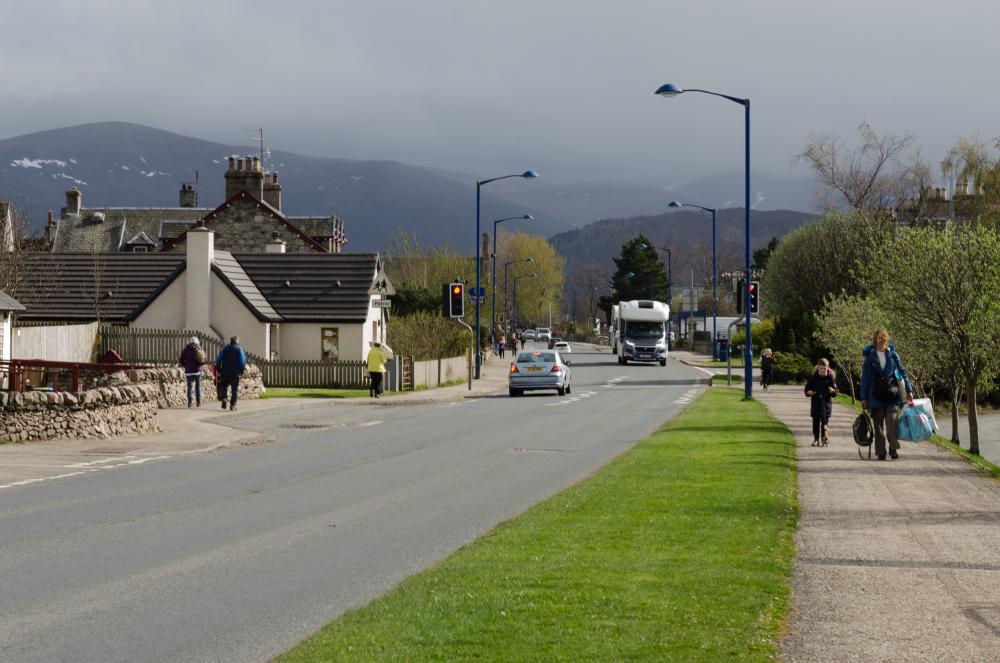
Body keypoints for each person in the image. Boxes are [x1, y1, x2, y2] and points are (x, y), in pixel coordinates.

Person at [860, 329, 914, 460]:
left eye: (883, 338)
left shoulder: (893, 355)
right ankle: (881, 452)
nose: (880, 340)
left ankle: (893, 448)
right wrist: (863, 397)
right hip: (875, 396)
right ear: (875, 339)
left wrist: (909, 390)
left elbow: (902, 373)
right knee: (878, 429)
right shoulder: (870, 357)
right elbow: (865, 379)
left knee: (892, 426)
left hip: (892, 395)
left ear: (886, 339)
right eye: (878, 338)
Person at [804, 358, 838, 446]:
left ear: (828, 368)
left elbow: (835, 391)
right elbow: (807, 389)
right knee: (815, 422)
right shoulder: (813, 378)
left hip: (826, 404)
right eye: (821, 368)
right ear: (818, 368)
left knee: (825, 422)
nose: (823, 370)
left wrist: (833, 391)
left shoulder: (830, 378)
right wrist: (809, 392)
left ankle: (824, 438)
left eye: (825, 368)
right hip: (816, 403)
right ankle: (816, 439)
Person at [215, 336, 246, 411]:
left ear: (230, 341)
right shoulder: (239, 349)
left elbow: (218, 359)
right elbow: (242, 361)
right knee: (234, 389)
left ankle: (224, 398)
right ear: (237, 342)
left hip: (225, 372)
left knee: (224, 386)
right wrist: (242, 370)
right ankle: (233, 405)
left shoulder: (225, 348)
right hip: (235, 373)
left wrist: (218, 369)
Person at [178, 336, 205, 407]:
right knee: (197, 387)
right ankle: (198, 402)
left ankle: (190, 403)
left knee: (189, 387)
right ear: (197, 342)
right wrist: (200, 366)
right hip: (197, 371)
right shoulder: (198, 349)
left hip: (188, 371)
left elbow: (181, 360)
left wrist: (185, 365)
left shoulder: (185, 350)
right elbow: (203, 360)